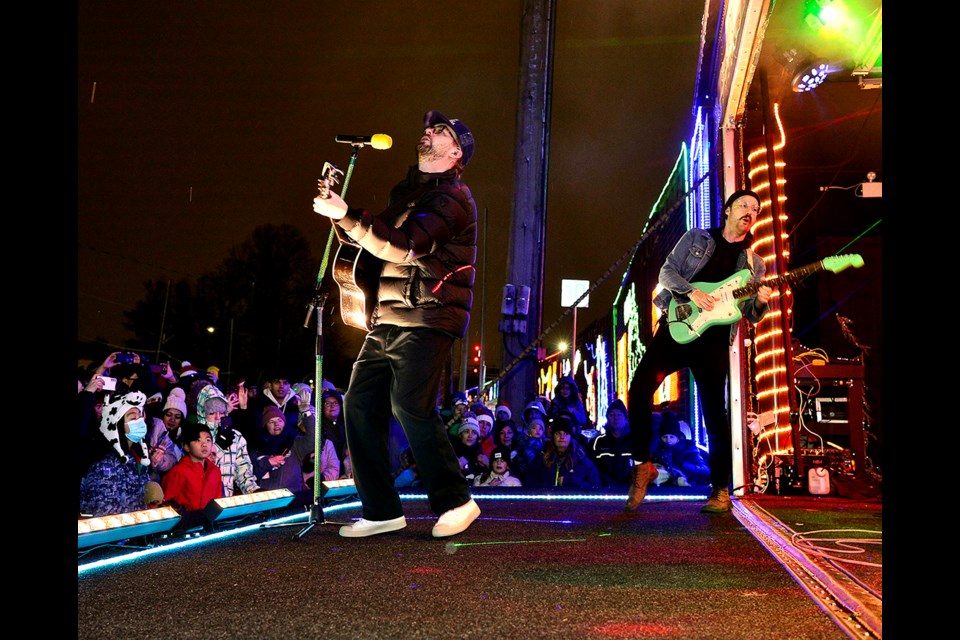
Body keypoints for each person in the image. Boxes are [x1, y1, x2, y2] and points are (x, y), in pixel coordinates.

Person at [313, 109, 480, 538]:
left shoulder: (453, 199)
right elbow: (374, 240)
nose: (428, 133)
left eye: (440, 131)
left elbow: (406, 247)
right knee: (359, 405)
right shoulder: (409, 193)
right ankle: (382, 510)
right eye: (427, 127)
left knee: (409, 404)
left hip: (428, 316)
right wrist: (339, 214)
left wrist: (349, 215)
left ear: (456, 151)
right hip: (388, 317)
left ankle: (457, 501)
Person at [625, 189, 772, 513]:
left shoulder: (754, 264)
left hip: (714, 341)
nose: (750, 211)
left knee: (714, 417)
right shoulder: (697, 237)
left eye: (756, 209)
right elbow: (667, 272)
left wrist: (760, 302)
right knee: (638, 391)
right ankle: (642, 465)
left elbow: (749, 312)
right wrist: (691, 292)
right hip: (677, 327)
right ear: (729, 209)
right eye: (744, 205)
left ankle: (720, 490)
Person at [79, 391, 153, 516]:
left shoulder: (137, 456)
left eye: (140, 415)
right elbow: (104, 509)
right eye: (132, 417)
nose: (139, 420)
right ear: (118, 424)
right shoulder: (105, 462)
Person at [196, 383, 261, 498]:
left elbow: (244, 472)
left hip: (226, 501)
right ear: (202, 413)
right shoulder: (194, 436)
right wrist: (218, 447)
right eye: (211, 413)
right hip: (200, 501)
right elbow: (196, 471)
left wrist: (254, 492)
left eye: (221, 412)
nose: (218, 417)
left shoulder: (235, 436)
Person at [524, 415, 601, 489]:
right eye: (558, 433)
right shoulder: (541, 459)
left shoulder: (582, 461)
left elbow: (595, 488)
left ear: (570, 437)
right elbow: (529, 483)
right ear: (553, 436)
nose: (562, 437)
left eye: (566, 434)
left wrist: (573, 482)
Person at [161, 422, 223, 512]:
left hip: (209, 521)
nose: (204, 444)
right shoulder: (179, 471)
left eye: (208, 440)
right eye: (198, 440)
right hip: (186, 522)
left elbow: (218, 501)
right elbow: (166, 503)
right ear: (186, 447)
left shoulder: (215, 471)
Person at [650, 411, 711, 487]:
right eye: (665, 437)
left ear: (677, 438)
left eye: (672, 437)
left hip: (686, 491)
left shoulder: (689, 450)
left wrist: (682, 464)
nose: (668, 440)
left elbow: (705, 472)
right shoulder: (656, 451)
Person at [587, 399, 634, 487]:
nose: (615, 418)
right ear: (607, 418)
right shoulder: (597, 442)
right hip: (604, 491)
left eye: (619, 415)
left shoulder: (636, 442)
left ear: (625, 418)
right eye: (612, 415)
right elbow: (590, 467)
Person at [145, 387, 188, 482]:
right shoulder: (156, 427)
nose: (172, 420)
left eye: (177, 417)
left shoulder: (184, 440)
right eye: (168, 415)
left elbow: (171, 460)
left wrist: (160, 460)